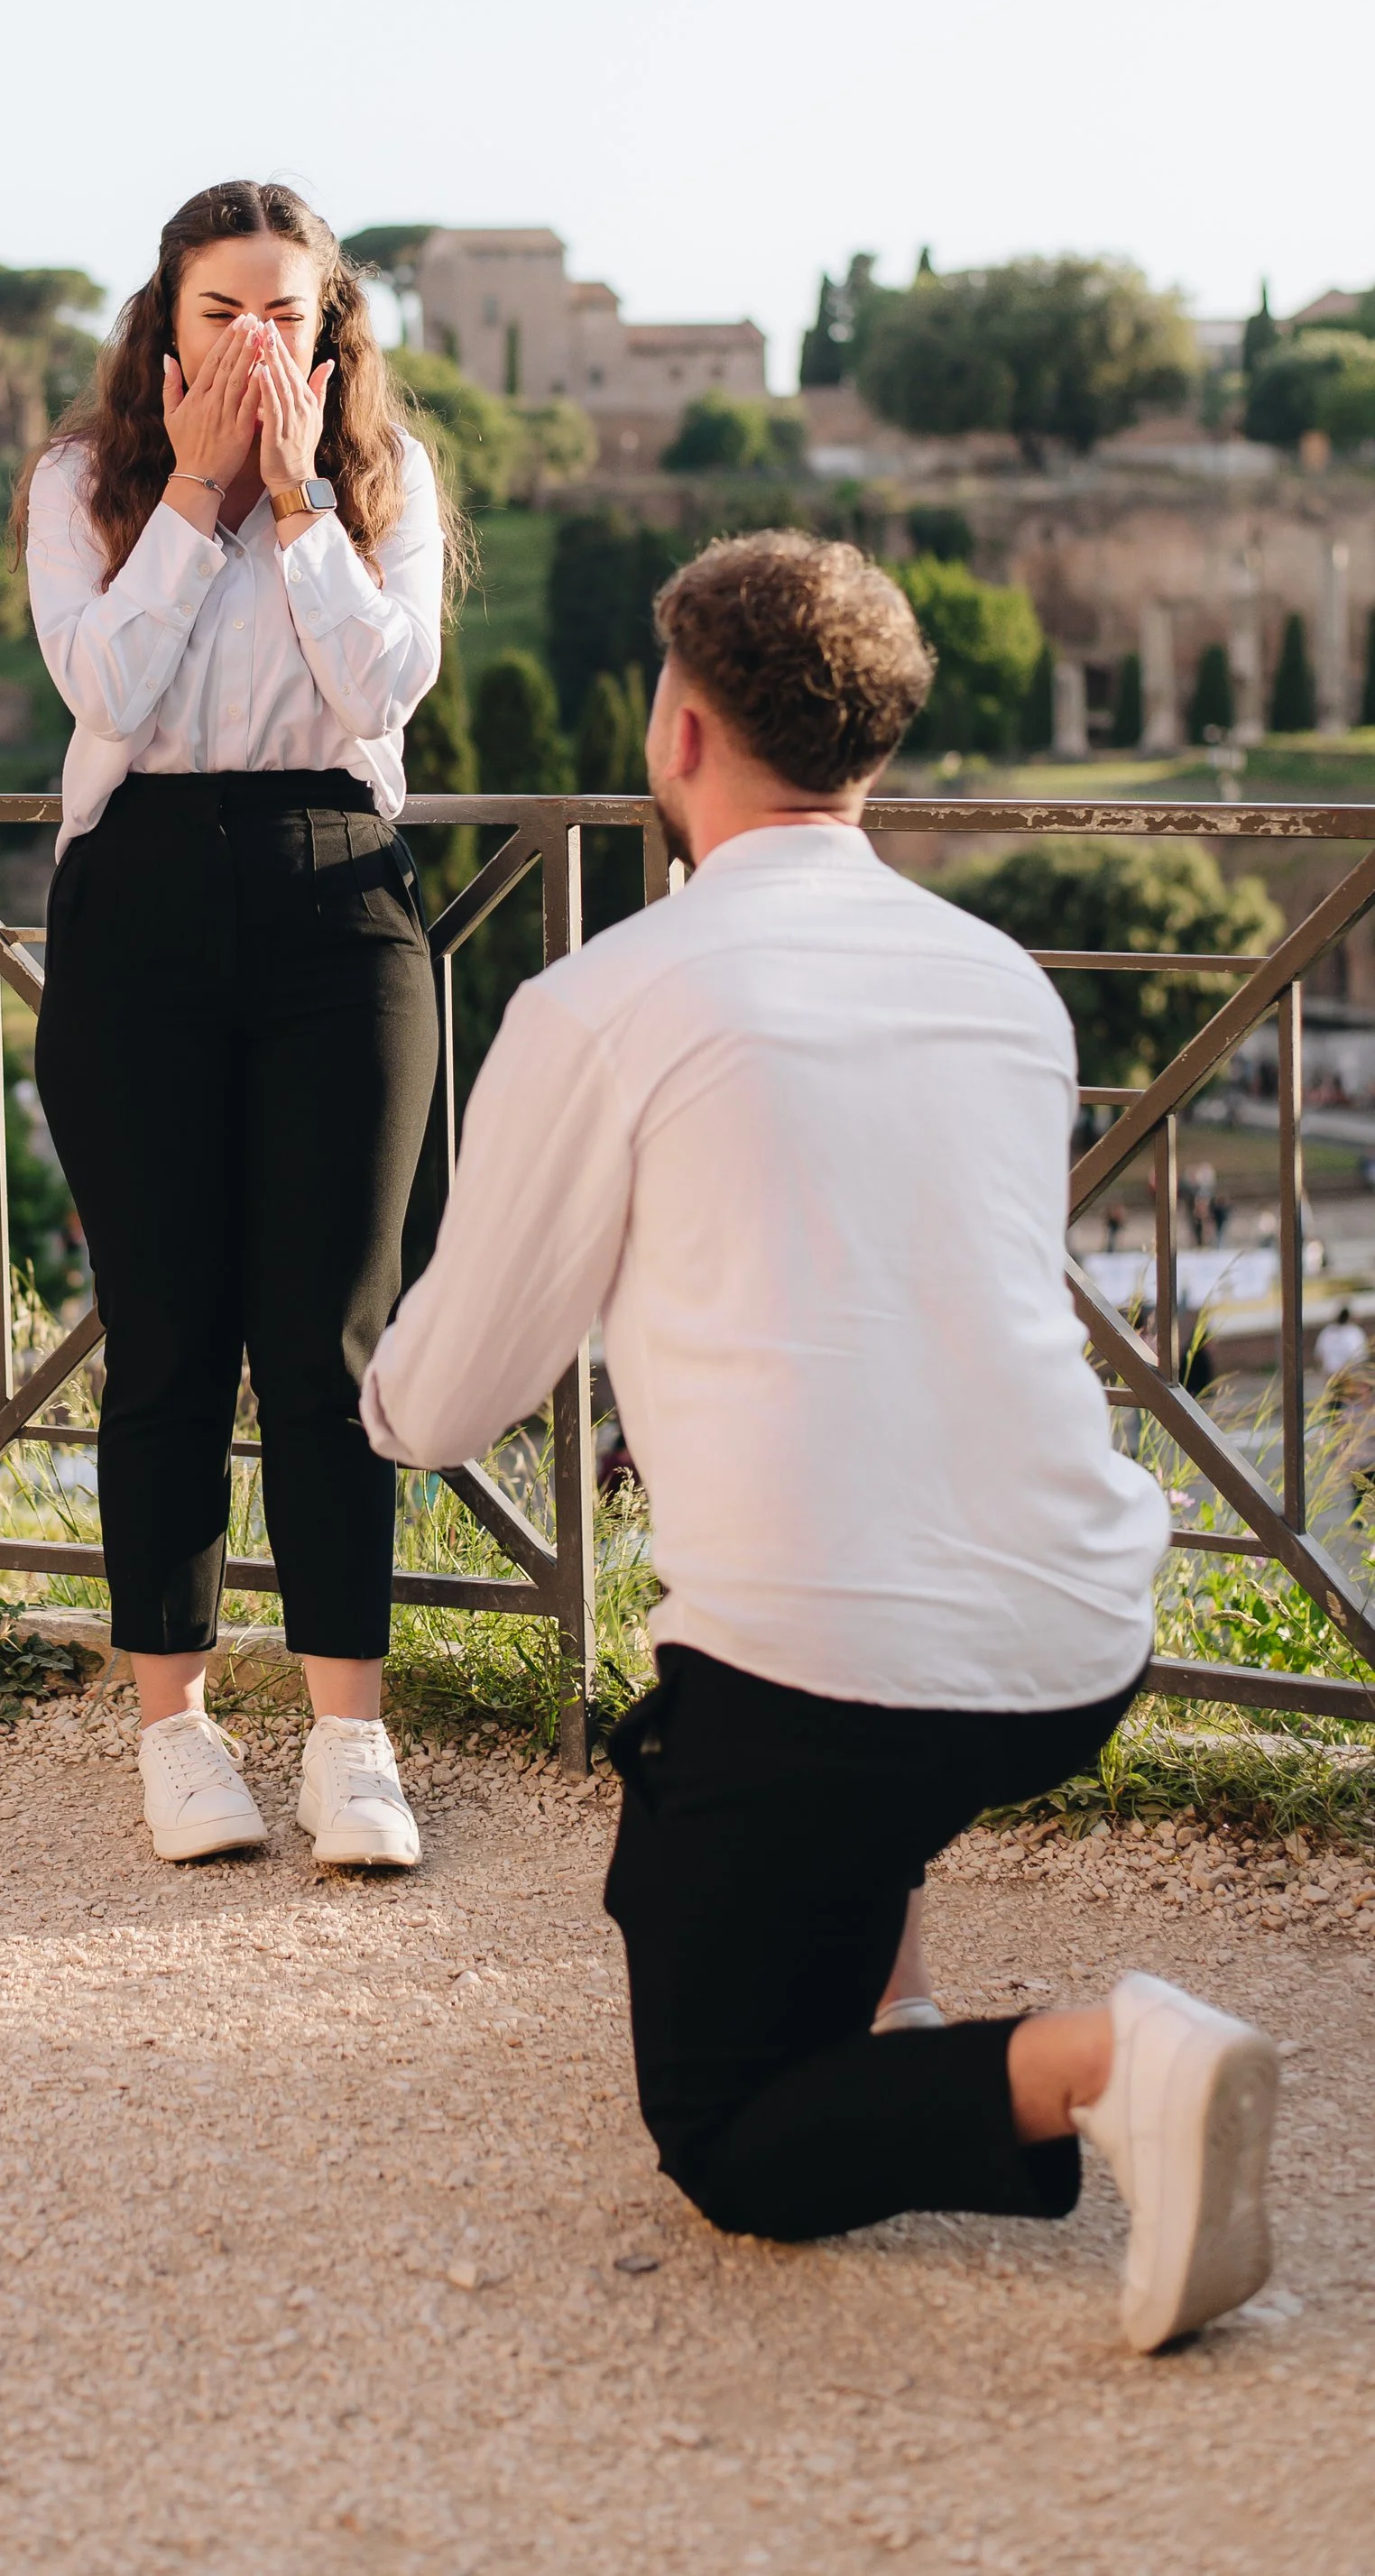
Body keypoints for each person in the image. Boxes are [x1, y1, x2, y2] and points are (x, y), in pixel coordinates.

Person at [360, 529, 1278, 2352]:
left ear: (680, 736)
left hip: (828, 1678)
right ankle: (906, 2013)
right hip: (1077, 1632)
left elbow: (444, 1403)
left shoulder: (604, 1004)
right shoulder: (1003, 987)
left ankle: (1112, 2062)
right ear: (866, 753)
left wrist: (360, 1381)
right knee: (820, 1750)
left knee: (725, 2141)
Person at [17, 178, 455, 1871]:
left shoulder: (382, 479)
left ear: (331, 331)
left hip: (335, 895)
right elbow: (109, 692)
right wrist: (197, 492)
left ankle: (352, 1739)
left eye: (290, 317)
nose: (257, 345)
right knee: (170, 1337)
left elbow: (382, 691)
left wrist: (294, 502)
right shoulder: (83, 481)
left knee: (333, 1336)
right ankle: (178, 1729)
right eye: (225, 316)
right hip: (137, 897)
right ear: (168, 324)